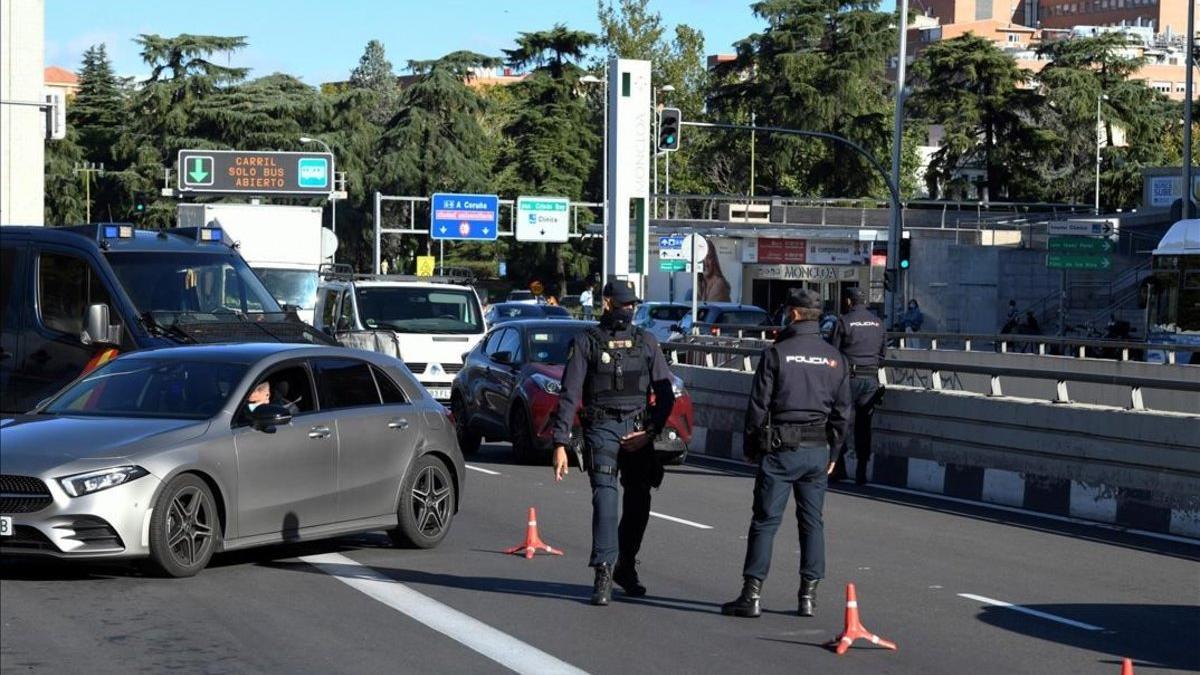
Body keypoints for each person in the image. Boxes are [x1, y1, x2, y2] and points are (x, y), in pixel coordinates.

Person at [721, 288, 850, 619]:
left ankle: (751, 596)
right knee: (812, 523)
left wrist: (751, 447)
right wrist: (834, 450)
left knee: (765, 521)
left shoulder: (777, 354)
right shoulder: (835, 358)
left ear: (793, 314)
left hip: (779, 450)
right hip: (818, 450)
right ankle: (808, 597)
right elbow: (842, 412)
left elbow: (758, 407)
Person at [550, 280, 676, 606]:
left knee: (639, 500)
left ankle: (626, 565)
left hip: (637, 430)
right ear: (606, 303)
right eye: (622, 304)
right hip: (601, 426)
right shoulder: (586, 342)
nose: (628, 310)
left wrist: (651, 432)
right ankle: (603, 570)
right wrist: (560, 442)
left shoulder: (647, 341)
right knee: (605, 499)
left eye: (632, 305)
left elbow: (665, 394)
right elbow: (570, 393)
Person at [828, 288, 886, 485]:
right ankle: (862, 470)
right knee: (864, 426)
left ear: (849, 301)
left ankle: (838, 467)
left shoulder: (843, 321)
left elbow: (833, 353)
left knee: (839, 421)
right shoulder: (878, 323)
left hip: (848, 378)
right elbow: (883, 353)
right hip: (870, 379)